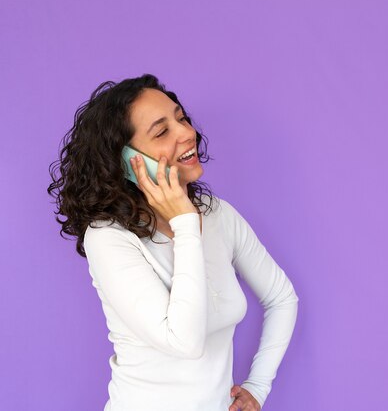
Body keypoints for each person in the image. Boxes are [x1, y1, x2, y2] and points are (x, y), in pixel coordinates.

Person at [47, 74, 299, 411]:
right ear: (125, 161)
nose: (187, 133)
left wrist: (258, 386)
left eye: (181, 118)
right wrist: (184, 223)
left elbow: (282, 297)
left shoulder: (218, 216)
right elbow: (184, 342)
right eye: (162, 131)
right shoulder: (108, 237)